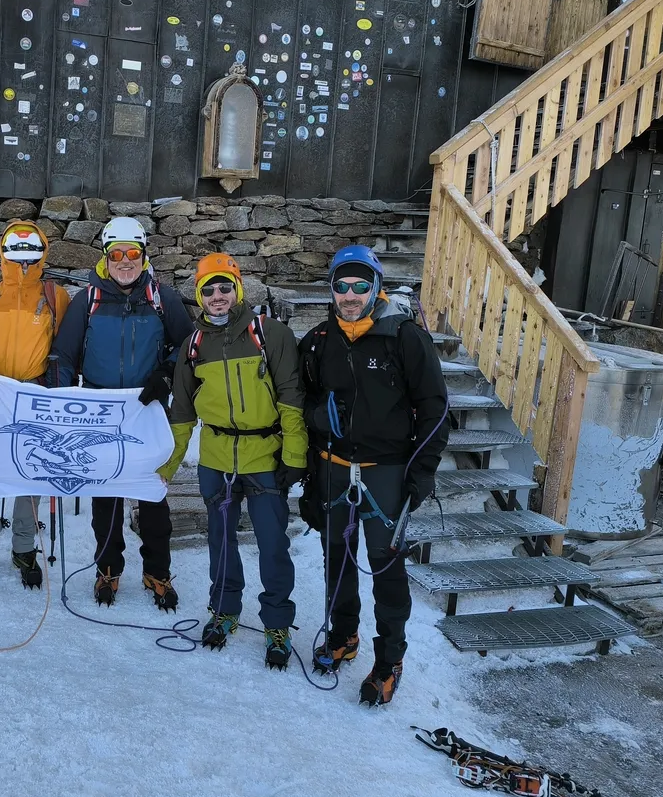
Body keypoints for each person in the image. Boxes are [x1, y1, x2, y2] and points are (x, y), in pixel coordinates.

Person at [298, 245, 449, 705]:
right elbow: (300, 402)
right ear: (331, 289)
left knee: (386, 568)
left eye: (360, 286)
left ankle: (388, 661)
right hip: (333, 468)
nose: (350, 295)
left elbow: (436, 410)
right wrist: (316, 420)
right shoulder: (318, 341)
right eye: (341, 286)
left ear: (376, 288)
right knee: (337, 557)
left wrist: (421, 472)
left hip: (386, 471)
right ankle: (344, 635)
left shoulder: (404, 337)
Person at [159, 254, 308, 670]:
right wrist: (167, 467)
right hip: (217, 457)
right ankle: (224, 610)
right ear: (199, 296)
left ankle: (277, 624)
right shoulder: (193, 345)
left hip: (264, 456)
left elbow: (291, 397)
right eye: (208, 289)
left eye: (225, 286)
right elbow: (182, 413)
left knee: (273, 544)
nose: (217, 295)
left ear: (238, 289)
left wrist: (294, 456)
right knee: (220, 540)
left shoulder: (271, 334)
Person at [53, 216, 193, 609]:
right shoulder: (88, 300)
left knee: (152, 496)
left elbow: (188, 346)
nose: (125, 261)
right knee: (107, 500)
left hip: (146, 410)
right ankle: (108, 569)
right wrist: (63, 401)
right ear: (105, 257)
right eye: (117, 254)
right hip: (100, 410)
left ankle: (157, 571)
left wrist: (165, 374)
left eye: (133, 253)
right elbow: (64, 354)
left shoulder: (162, 298)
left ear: (144, 255)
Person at [0, 220, 71, 588]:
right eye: (16, 253)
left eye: (31, 254)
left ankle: (24, 546)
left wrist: (58, 382)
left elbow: (66, 346)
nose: (23, 262)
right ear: (4, 253)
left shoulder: (55, 296)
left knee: (31, 469)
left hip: (34, 393)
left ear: (42, 254)